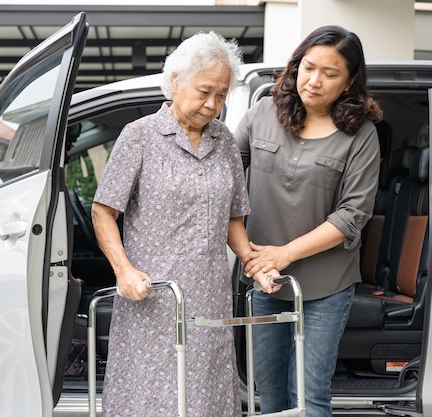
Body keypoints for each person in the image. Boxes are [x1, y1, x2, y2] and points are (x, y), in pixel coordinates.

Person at [91, 31, 265, 417]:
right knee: (152, 399)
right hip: (152, 297)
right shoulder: (139, 136)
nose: (213, 104)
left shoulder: (224, 141)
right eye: (205, 91)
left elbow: (232, 217)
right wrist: (124, 271)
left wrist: (253, 261)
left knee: (204, 397)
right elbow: (103, 211)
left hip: (208, 297)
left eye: (221, 95)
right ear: (175, 81)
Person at [234, 25, 382, 417]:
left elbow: (352, 215)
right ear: (296, 66)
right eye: (308, 67)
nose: (314, 81)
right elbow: (223, 184)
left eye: (329, 73)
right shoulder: (262, 112)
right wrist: (253, 256)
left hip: (326, 285)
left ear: (349, 80)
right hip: (264, 278)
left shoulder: (361, 135)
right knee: (270, 398)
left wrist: (283, 254)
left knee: (309, 396)